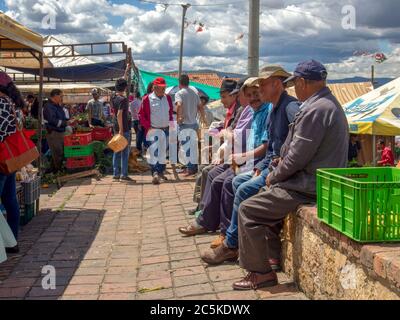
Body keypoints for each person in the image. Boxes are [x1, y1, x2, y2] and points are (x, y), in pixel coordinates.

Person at [232, 60, 349, 290]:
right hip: (309, 182)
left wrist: (273, 176)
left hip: (307, 186)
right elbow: (295, 151)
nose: (294, 88)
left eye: (295, 83)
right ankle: (271, 256)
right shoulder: (322, 104)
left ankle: (260, 272)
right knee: (260, 197)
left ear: (303, 82)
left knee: (248, 209)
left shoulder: (316, 109)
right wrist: (278, 164)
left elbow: (297, 158)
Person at [200, 65, 301, 266]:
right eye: (254, 90)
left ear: (276, 84)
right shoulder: (274, 109)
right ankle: (240, 241)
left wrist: (270, 169)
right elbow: (273, 146)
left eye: (262, 85)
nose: (259, 91)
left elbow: (295, 146)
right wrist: (261, 167)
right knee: (235, 182)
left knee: (242, 188)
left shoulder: (290, 108)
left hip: (283, 172)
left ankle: (231, 245)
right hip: (267, 166)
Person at [179, 78, 271, 238]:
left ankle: (225, 233)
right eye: (248, 94)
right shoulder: (248, 110)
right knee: (210, 172)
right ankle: (206, 217)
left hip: (250, 162)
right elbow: (231, 133)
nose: (251, 98)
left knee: (223, 181)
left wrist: (236, 151)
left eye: (255, 94)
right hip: (241, 159)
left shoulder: (259, 111)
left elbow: (238, 137)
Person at [0, 71, 25, 253]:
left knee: (9, 199)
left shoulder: (1, 102)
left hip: (1, 159)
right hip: (10, 158)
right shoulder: (12, 102)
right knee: (10, 200)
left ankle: (8, 243)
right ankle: (12, 240)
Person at [139, 77, 174, 184]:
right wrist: (148, 127)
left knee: (163, 152)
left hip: (165, 130)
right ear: (155, 88)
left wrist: (172, 127)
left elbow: (170, 113)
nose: (163, 90)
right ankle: (155, 172)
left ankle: (161, 171)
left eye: (164, 88)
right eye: (161, 88)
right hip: (153, 130)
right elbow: (141, 115)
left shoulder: (167, 98)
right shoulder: (147, 99)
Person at [175, 74, 206, 176]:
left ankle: (190, 169)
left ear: (179, 83)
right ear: (188, 82)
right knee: (193, 147)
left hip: (184, 124)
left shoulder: (179, 93)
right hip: (194, 124)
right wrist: (204, 118)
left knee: (186, 148)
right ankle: (192, 167)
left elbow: (179, 105)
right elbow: (201, 106)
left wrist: (178, 118)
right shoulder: (194, 93)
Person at [111, 77, 135, 182]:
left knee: (116, 150)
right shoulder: (123, 100)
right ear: (125, 88)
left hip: (115, 127)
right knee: (125, 152)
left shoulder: (113, 97)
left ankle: (116, 174)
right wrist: (121, 129)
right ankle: (124, 175)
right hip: (123, 128)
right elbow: (119, 114)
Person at [43, 89, 68, 173]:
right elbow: (52, 120)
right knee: (58, 152)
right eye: (61, 96)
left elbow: (61, 117)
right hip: (54, 132)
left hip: (59, 131)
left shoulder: (57, 105)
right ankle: (58, 172)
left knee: (59, 152)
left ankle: (53, 171)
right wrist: (64, 123)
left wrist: (66, 121)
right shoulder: (49, 106)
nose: (62, 98)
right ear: (55, 96)